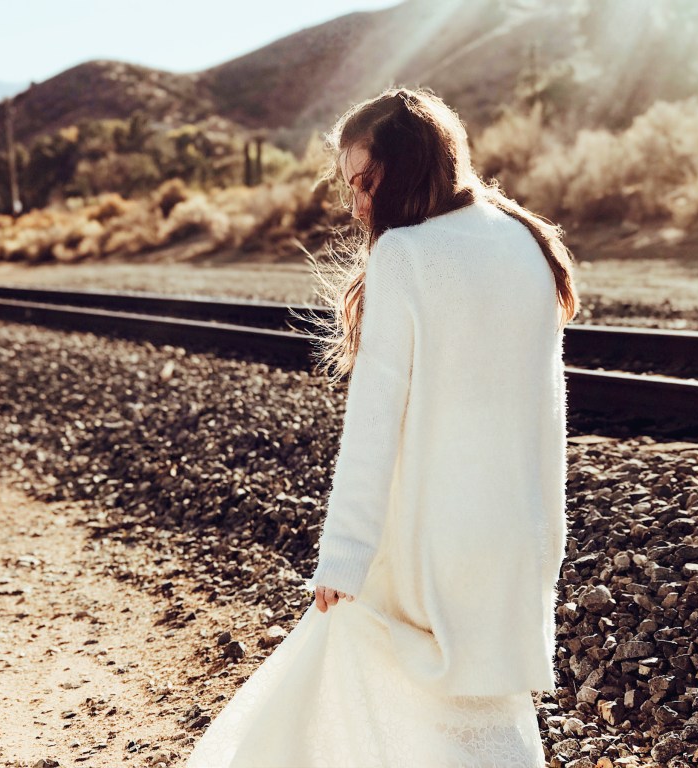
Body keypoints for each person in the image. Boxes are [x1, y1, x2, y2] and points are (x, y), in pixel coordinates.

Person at [185, 85, 578, 767]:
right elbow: (548, 409)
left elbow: (375, 421)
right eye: (351, 187)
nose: (359, 203)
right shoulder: (527, 242)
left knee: (356, 676)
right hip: (517, 533)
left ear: (412, 163)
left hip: (430, 537)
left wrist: (344, 554)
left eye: (365, 181)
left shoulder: (406, 255)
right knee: (490, 708)